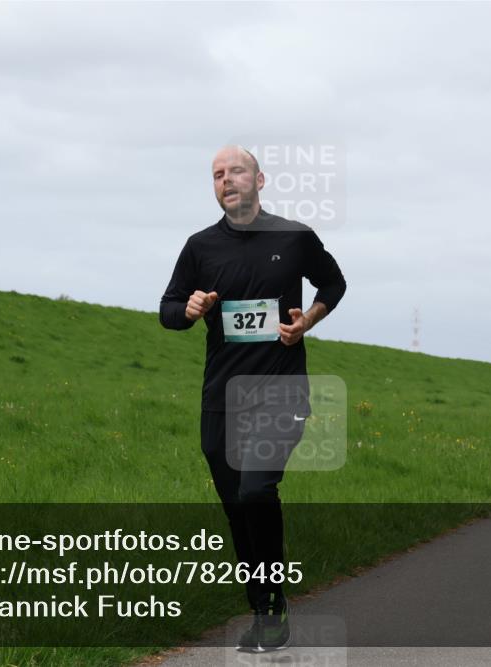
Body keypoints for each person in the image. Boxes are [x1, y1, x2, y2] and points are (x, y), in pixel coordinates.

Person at [159, 145, 347, 652]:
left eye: (236, 170)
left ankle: (272, 613)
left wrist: (307, 320)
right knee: (235, 509)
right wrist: (190, 306)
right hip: (222, 398)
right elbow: (168, 309)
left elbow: (334, 282)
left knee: (255, 491)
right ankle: (264, 605)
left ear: (260, 179)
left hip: (282, 391)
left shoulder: (294, 236)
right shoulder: (200, 247)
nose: (227, 180)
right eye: (217, 174)